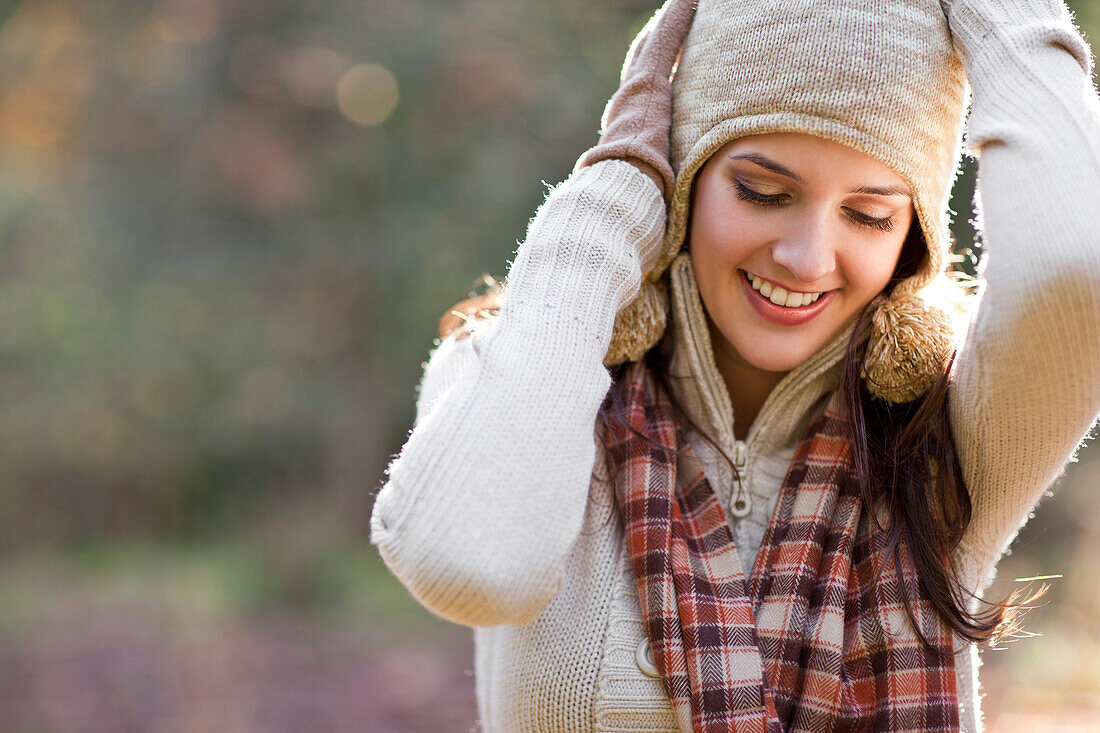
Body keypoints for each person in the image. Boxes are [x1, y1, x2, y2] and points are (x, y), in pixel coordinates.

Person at [371, 0, 1100, 730]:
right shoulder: (523, 364)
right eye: (762, 191)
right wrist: (609, 203)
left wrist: (1005, 12)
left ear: (911, 235)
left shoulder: (953, 422)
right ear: (683, 182)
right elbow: (469, 566)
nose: (807, 258)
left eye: (869, 214)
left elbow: (1079, 266)